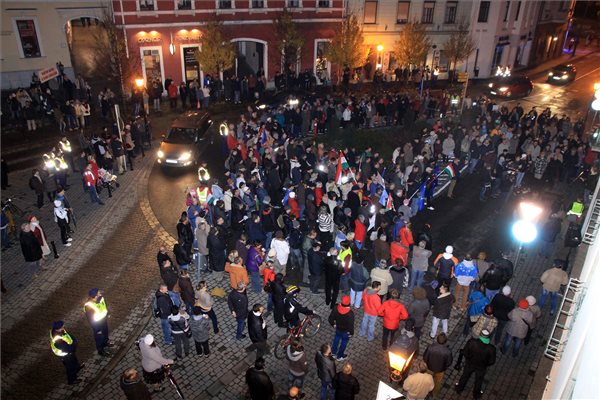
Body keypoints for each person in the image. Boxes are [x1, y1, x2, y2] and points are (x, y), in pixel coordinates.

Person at [455, 329, 496, 400]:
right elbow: (492, 361)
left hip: (470, 364)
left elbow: (465, 352)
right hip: (481, 367)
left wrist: (468, 359)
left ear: (480, 335)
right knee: (479, 380)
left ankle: (459, 389)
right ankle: (476, 394)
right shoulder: (491, 348)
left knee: (465, 376)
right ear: (488, 337)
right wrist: (485, 364)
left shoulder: (471, 342)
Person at [49, 320, 84, 385]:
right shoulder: (57, 339)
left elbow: (68, 335)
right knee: (70, 367)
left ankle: (77, 367)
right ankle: (72, 380)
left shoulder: (60, 331)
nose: (64, 327)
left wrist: (73, 340)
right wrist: (74, 344)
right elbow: (67, 349)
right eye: (62, 326)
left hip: (69, 352)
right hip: (66, 355)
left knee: (74, 360)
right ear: (58, 329)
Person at [83, 288, 112, 356]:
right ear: (95, 296)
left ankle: (105, 342)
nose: (100, 293)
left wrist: (108, 313)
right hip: (97, 325)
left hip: (103, 320)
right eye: (98, 293)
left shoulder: (101, 298)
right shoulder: (89, 306)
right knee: (99, 338)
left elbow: (105, 306)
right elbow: (91, 320)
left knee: (105, 332)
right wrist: (97, 329)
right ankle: (101, 350)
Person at [423, 333, 453, 398]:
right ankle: (434, 395)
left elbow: (425, 358)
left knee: (427, 380)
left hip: (430, 367)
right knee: (438, 382)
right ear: (445, 341)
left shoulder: (430, 347)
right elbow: (449, 362)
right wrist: (444, 367)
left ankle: (425, 391)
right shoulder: (447, 351)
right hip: (440, 370)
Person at [328, 295, 355, 361]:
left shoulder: (336, 307)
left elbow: (330, 319)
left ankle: (333, 353)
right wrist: (351, 333)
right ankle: (339, 356)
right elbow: (351, 325)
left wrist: (333, 324)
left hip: (338, 328)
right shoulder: (350, 314)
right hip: (346, 331)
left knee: (336, 339)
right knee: (344, 342)